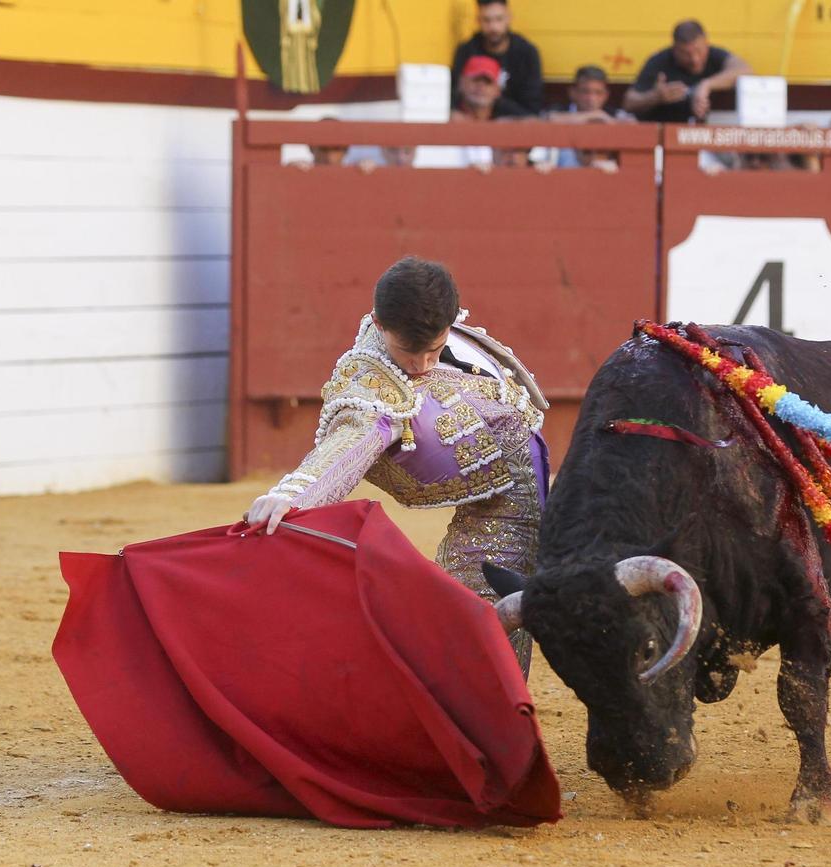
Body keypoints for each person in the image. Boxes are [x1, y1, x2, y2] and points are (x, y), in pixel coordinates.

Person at [246, 257, 549, 675]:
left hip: (532, 488)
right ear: (378, 323)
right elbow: (349, 444)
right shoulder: (373, 387)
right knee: (482, 622)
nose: (421, 365)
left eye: (434, 349)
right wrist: (291, 495)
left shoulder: (436, 329)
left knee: (494, 617)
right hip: (500, 509)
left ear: (453, 320)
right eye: (408, 351)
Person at [623, 19, 751, 123]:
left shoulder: (715, 55)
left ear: (706, 43)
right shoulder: (659, 61)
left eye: (699, 51)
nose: (694, 59)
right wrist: (655, 97)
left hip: (702, 137)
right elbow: (629, 102)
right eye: (686, 54)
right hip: (663, 134)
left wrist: (705, 85)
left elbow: (745, 70)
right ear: (675, 49)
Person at [451, 0, 543, 117]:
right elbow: (456, 93)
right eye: (486, 20)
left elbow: (532, 104)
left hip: (516, 122)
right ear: (478, 21)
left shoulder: (527, 53)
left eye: (499, 19)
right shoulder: (467, 51)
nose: (493, 27)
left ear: (509, 18)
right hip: (473, 120)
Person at [543, 65, 631, 171]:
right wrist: (594, 115)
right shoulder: (559, 110)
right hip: (560, 179)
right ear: (573, 92)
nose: (591, 98)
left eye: (598, 93)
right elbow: (546, 119)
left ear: (606, 95)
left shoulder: (614, 114)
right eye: (585, 92)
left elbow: (634, 126)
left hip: (600, 181)